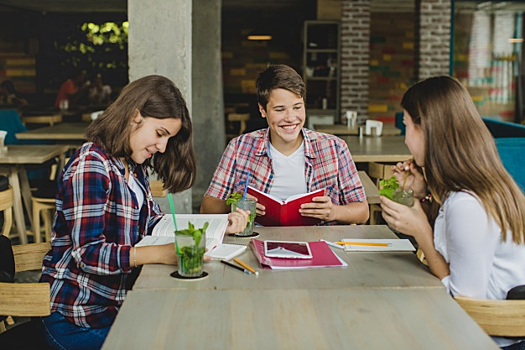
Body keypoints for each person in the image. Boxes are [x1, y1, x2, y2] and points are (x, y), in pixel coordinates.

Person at [39, 75, 249, 350]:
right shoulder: (91, 165)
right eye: (160, 134)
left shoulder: (131, 165)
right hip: (78, 319)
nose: (162, 147)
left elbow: (151, 222)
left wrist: (219, 225)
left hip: (115, 308)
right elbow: (88, 253)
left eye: (168, 139)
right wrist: (159, 253)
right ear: (133, 116)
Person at [379, 76, 525, 350]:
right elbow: (401, 219)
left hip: (485, 339)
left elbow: (463, 305)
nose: (406, 140)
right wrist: (419, 195)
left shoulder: (467, 204)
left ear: (427, 130)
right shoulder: (471, 186)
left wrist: (421, 230)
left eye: (407, 127)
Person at [201, 64, 369, 225]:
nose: (290, 118)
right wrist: (236, 203)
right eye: (280, 110)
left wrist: (334, 212)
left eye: (297, 107)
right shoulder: (239, 148)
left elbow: (363, 212)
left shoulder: (335, 148)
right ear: (262, 110)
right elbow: (206, 209)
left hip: (320, 243)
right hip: (257, 240)